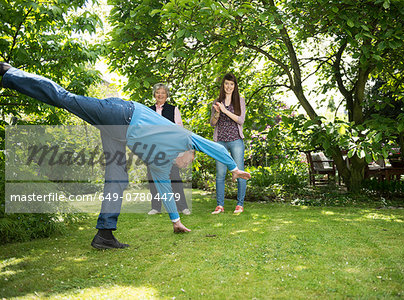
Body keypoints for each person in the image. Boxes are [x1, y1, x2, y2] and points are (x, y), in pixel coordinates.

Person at [0, 63, 251, 249]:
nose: (186, 166)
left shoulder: (161, 164)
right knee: (66, 99)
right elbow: (215, 147)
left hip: (118, 133)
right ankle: (9, 74)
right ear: (187, 154)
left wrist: (175, 221)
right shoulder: (182, 137)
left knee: (118, 176)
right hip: (120, 114)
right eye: (189, 161)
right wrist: (233, 168)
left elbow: (165, 190)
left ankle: (104, 235)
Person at [146, 83, 190, 216]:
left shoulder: (173, 109)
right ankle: (156, 207)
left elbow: (179, 131)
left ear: (166, 95)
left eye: (163, 93)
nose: (160, 95)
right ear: (154, 95)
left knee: (175, 178)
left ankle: (182, 207)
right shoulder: (148, 110)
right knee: (153, 178)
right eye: (158, 92)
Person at [210, 73, 247, 214]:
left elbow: (241, 120)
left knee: (240, 172)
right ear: (223, 85)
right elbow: (212, 123)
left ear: (235, 86)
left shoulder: (240, 101)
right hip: (220, 141)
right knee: (220, 173)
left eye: (232, 84)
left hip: (236, 140)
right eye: (226, 84)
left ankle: (240, 204)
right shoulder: (217, 101)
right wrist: (218, 113)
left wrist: (226, 110)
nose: (229, 87)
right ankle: (220, 205)